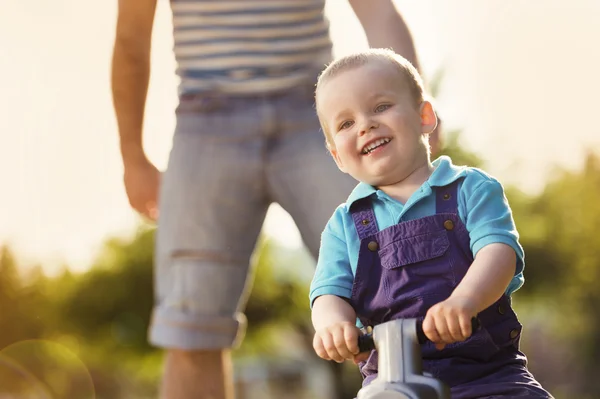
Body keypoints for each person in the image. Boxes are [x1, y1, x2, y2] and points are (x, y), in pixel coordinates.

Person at [111, 1, 435, 398]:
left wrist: (411, 111)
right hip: (206, 122)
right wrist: (132, 156)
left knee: (404, 294)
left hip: (319, 113)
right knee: (189, 327)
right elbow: (131, 36)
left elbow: (378, 12)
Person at [310, 48, 553, 398]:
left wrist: (464, 302)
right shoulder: (344, 225)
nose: (365, 124)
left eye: (380, 107)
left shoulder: (471, 189)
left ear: (425, 115)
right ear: (337, 156)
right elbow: (328, 293)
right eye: (346, 123)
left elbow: (498, 252)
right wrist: (334, 326)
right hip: (388, 382)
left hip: (489, 376)